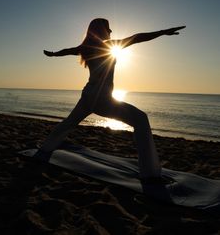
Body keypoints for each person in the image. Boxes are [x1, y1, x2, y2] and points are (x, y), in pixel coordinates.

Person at [35, 18, 185, 181]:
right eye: (108, 28)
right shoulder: (108, 45)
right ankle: (149, 173)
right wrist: (163, 32)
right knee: (141, 119)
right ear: (100, 30)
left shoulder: (85, 48)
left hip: (89, 94)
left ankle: (46, 148)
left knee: (69, 122)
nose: (111, 31)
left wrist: (53, 54)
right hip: (102, 98)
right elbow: (137, 37)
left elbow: (68, 50)